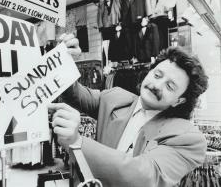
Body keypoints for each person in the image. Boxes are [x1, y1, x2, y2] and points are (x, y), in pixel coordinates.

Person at [48, 33, 209, 187]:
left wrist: (77, 142)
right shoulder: (114, 98)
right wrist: (62, 58)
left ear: (179, 100)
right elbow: (76, 94)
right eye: (157, 75)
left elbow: (146, 177)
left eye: (170, 86)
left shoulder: (188, 138)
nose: (156, 85)